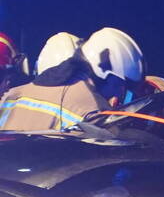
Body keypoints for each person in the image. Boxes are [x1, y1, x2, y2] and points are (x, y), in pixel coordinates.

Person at [0, 27, 143, 131]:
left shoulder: (11, 95)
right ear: (105, 73)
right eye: (120, 86)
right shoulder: (94, 112)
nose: (118, 95)